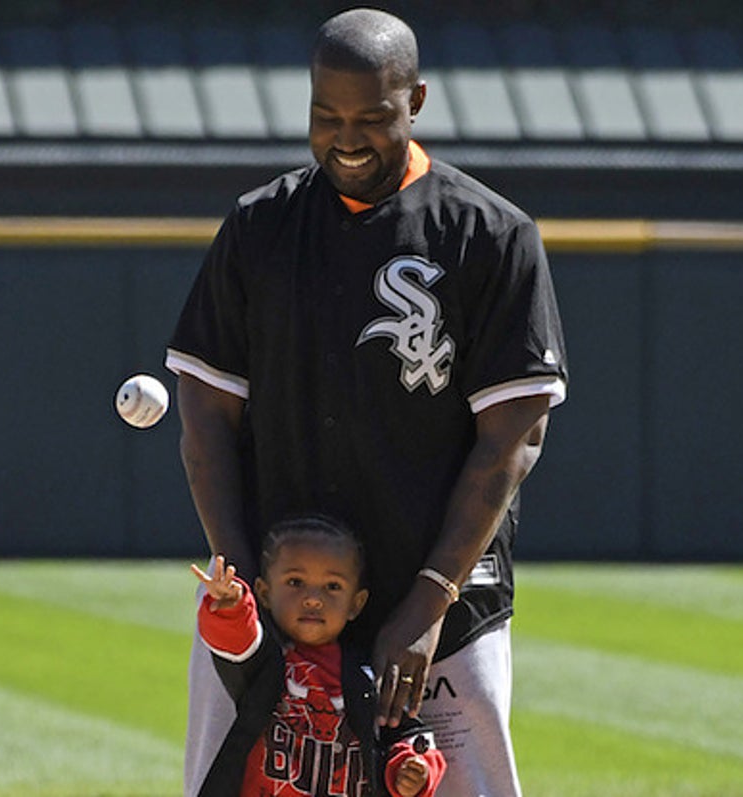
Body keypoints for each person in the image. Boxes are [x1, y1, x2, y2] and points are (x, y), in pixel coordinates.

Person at [166, 7, 568, 796]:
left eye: (372, 117)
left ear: (414, 102)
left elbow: (512, 441)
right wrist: (247, 596)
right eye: (327, 116)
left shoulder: (490, 235)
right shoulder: (261, 227)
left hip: (444, 610)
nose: (347, 138)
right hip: (280, 611)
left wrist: (424, 604)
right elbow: (205, 417)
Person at [190, 514, 447, 796]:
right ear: (264, 593)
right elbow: (236, 640)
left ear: (356, 603)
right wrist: (231, 606)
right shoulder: (266, 662)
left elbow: (407, 734)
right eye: (295, 582)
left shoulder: (367, 674)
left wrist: (412, 769)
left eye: (332, 587)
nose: (313, 598)